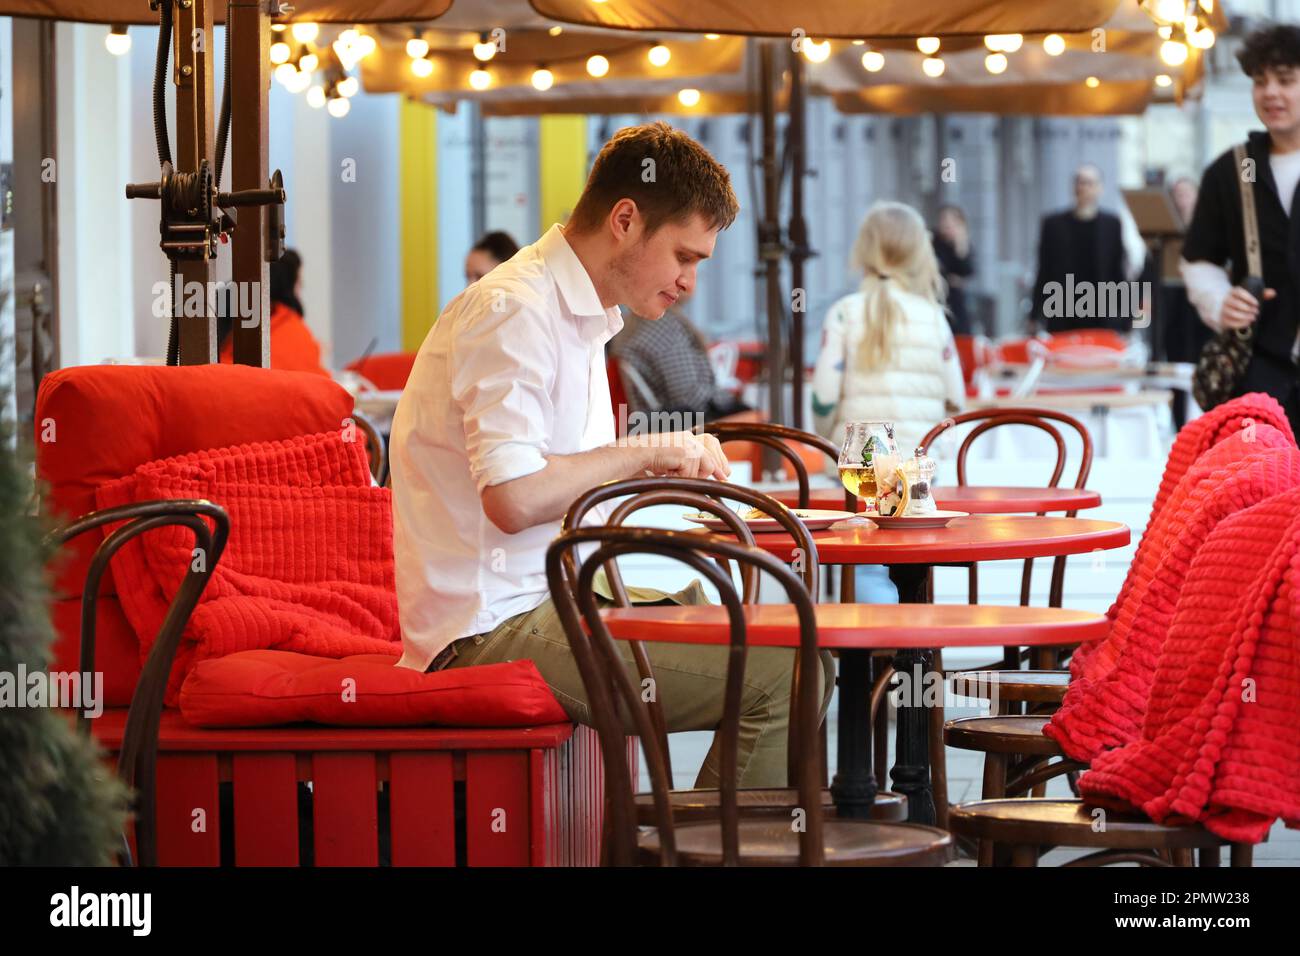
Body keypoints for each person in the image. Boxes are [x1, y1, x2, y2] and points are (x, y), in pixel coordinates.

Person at [390, 122, 834, 790]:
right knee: (783, 671)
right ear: (625, 219)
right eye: (684, 256)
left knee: (791, 640)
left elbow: (565, 488)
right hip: (483, 632)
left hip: (552, 594)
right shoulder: (513, 309)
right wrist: (646, 453)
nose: (688, 282)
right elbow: (512, 500)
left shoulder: (578, 312)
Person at [811, 201, 966, 602]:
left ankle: (867, 643)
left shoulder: (844, 314)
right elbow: (956, 399)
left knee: (863, 556)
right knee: (914, 563)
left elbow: (824, 400)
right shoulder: (933, 317)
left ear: (863, 251)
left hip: (858, 477)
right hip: (920, 481)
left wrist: (825, 435)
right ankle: (913, 645)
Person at [1180, 23, 1300, 434]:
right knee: (1255, 490)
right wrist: (1220, 302)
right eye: (1260, 81)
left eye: (1286, 81)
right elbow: (1198, 260)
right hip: (1260, 373)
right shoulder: (1232, 171)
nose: (1270, 93)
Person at [1032, 163, 1147, 333]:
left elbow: (1118, 271)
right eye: (1081, 182)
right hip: (1062, 309)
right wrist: (1035, 315)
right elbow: (1043, 270)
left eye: (1090, 183)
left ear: (1100, 188)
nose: (1085, 188)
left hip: (1101, 310)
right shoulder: (1053, 224)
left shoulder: (1112, 224)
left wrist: (1127, 315)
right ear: (1074, 187)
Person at [610, 303, 750, 422]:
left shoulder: (632, 323)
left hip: (654, 422)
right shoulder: (662, 325)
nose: (689, 282)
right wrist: (730, 398)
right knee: (760, 424)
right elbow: (689, 396)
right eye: (685, 268)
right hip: (684, 424)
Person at [218, 248, 329, 376]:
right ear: (289, 285)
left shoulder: (233, 300)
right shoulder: (287, 325)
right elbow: (317, 383)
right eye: (299, 284)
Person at [932, 204, 975, 336]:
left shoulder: (960, 244)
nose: (947, 224)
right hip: (937, 298)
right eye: (944, 220)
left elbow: (967, 270)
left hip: (956, 301)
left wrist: (960, 244)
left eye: (952, 221)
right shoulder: (933, 241)